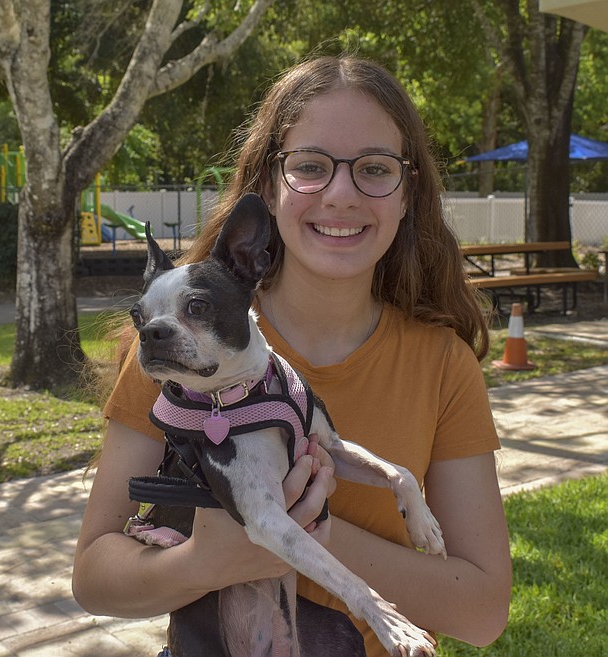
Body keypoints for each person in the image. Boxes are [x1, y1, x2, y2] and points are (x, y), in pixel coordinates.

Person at [72, 54, 511, 657]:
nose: (340, 194)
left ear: (407, 195)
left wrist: (296, 528)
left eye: (375, 169)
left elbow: (483, 612)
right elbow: (94, 578)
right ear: (267, 193)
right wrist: (203, 561)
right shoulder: (181, 356)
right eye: (310, 167)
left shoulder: (441, 365)